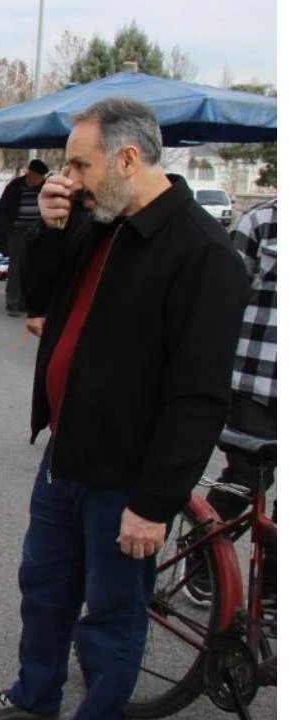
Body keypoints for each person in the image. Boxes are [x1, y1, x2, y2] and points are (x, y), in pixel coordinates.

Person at [0, 98, 248, 720]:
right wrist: (51, 232)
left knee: (112, 619)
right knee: (46, 591)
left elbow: (198, 398)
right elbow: (38, 295)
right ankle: (35, 698)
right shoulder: (102, 221)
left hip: (127, 477)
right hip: (67, 455)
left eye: (81, 167)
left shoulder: (203, 254)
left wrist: (154, 504)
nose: (70, 181)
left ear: (129, 158)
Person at [184, 198, 277, 612]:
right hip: (255, 379)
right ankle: (202, 552)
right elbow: (224, 297)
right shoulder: (261, 221)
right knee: (246, 479)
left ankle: (272, 581)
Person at [0, 159, 49, 316]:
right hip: (17, 232)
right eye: (37, 176)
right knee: (15, 268)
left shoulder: (45, 187)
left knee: (32, 268)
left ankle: (26, 302)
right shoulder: (15, 186)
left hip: (38, 234)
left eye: (41, 177)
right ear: (30, 173)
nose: (39, 180)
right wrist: (8, 229)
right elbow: (3, 209)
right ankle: (13, 302)